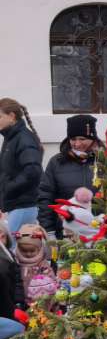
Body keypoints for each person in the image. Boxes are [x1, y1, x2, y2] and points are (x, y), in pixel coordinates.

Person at [36, 115, 107, 238]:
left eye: (82, 139)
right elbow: (45, 197)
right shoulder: (57, 162)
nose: (77, 144)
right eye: (73, 139)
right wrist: (49, 231)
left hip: (104, 231)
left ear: (93, 138)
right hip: (69, 233)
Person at [0, 98, 44, 245]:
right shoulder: (10, 137)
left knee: (11, 249)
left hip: (23, 205)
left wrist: (9, 187)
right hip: (14, 205)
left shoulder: (24, 138)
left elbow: (32, 171)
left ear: (12, 116)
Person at [0, 217, 26, 339]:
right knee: (21, 334)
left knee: (20, 333)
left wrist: (18, 306)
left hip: (9, 310)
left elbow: (15, 286)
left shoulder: (9, 258)